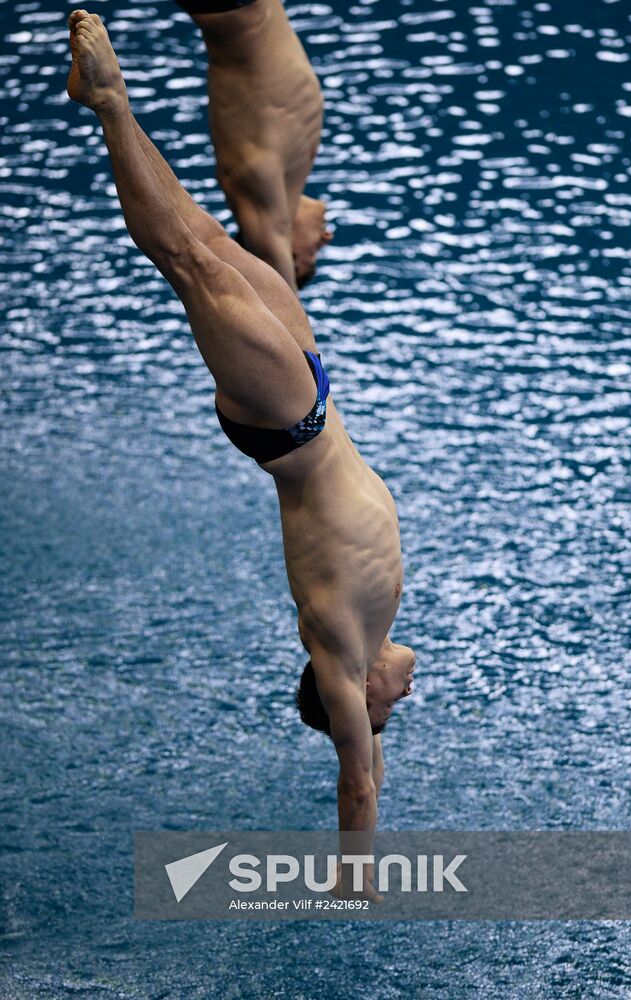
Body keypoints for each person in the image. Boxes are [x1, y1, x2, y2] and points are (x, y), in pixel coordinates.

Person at [66, 10, 415, 901]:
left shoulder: (341, 656)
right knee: (219, 244)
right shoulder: (373, 639)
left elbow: (357, 780)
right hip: (310, 398)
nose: (399, 708)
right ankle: (115, 109)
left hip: (288, 425)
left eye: (381, 718)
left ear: (355, 705)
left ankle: (108, 104)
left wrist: (355, 876)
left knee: (189, 260)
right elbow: (387, 719)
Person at [175, 0, 332, 290]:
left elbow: (281, 298)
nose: (326, 238)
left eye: (312, 255)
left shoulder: (260, 199)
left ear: (289, 255)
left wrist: (294, 322)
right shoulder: (292, 171)